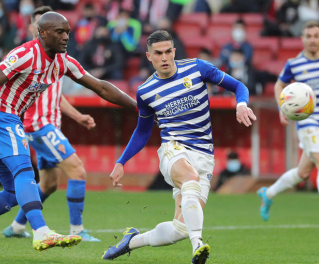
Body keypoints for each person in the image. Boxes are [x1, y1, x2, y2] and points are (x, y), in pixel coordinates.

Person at [0, 11, 136, 258]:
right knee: (25, 171)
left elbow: (102, 87)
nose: (65, 37)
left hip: (6, 120)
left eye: (67, 32)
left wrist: (139, 107)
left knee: (12, 193)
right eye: (59, 32)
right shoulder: (25, 54)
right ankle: (41, 231)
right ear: (42, 33)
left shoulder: (64, 61)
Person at [102, 30, 256, 264]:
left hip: (204, 154)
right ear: (148, 56)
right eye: (158, 53)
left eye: (167, 52)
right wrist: (121, 161)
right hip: (173, 149)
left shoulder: (197, 68)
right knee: (190, 177)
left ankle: (131, 241)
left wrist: (241, 104)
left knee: (180, 228)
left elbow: (238, 86)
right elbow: (143, 131)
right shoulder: (146, 91)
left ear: (174, 51)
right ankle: (198, 245)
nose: (164, 58)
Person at [2, 6, 100, 242]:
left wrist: (77, 116)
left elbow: (56, 97)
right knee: (77, 170)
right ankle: (77, 230)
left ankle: (16, 226)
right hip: (40, 125)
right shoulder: (28, 59)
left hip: (49, 125)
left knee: (49, 184)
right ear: (36, 30)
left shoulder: (56, 59)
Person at [257, 21, 319, 232]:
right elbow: (280, 84)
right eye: (308, 36)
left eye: (316, 36)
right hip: (307, 122)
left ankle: (268, 194)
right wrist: (282, 107)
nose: (313, 40)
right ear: (303, 39)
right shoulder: (294, 64)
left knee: (303, 173)